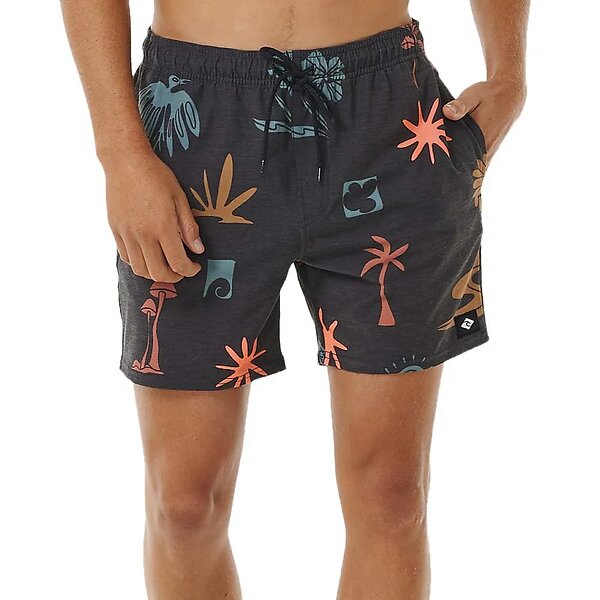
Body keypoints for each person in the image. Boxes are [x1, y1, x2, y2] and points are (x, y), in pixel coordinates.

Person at [61, 0, 528, 597]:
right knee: (184, 505)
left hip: (387, 117)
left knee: (392, 494)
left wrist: (509, 74)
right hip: (196, 122)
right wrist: (120, 153)